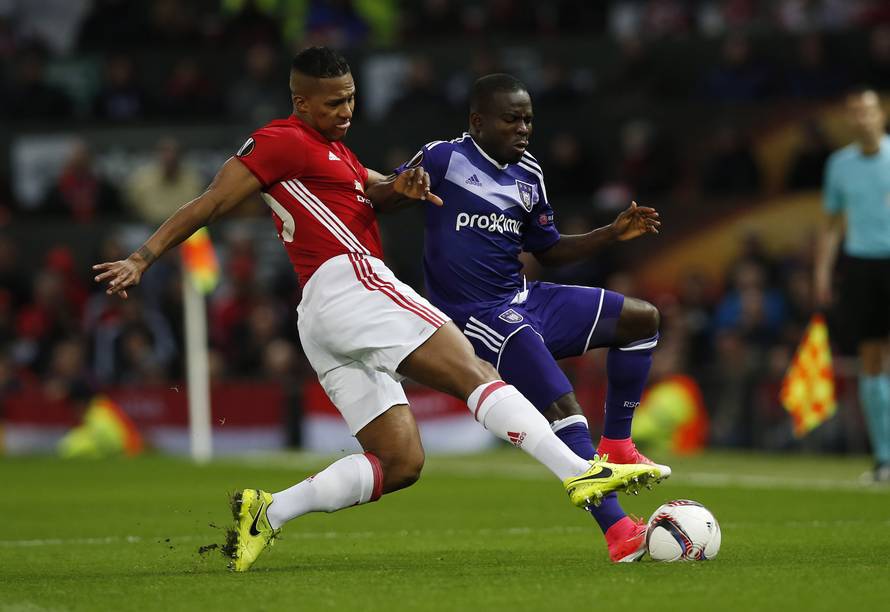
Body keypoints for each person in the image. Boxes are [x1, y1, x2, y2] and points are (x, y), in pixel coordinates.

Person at [92, 48, 661, 572]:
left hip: (323, 316)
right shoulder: (280, 140)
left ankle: (268, 512)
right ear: (301, 102)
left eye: (351, 98)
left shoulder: (338, 153)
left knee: (400, 460)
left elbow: (378, 189)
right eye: (333, 102)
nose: (346, 111)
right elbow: (210, 201)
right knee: (473, 369)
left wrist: (401, 188)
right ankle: (580, 473)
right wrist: (143, 258)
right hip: (350, 279)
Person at [390, 74, 670, 562]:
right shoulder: (441, 158)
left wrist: (610, 233)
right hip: (474, 315)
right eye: (511, 119)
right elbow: (381, 194)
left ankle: (618, 444)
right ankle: (619, 530)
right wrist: (398, 188)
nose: (523, 129)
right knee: (562, 404)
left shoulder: (529, 173)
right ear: (478, 121)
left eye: (528, 120)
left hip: (524, 297)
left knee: (642, 320)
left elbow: (549, 250)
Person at [815, 87, 890, 483]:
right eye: (855, 111)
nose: (862, 117)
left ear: (882, 114)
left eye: (868, 110)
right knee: (871, 360)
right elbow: (831, 224)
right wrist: (823, 272)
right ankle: (884, 459)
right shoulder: (839, 165)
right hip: (861, 266)